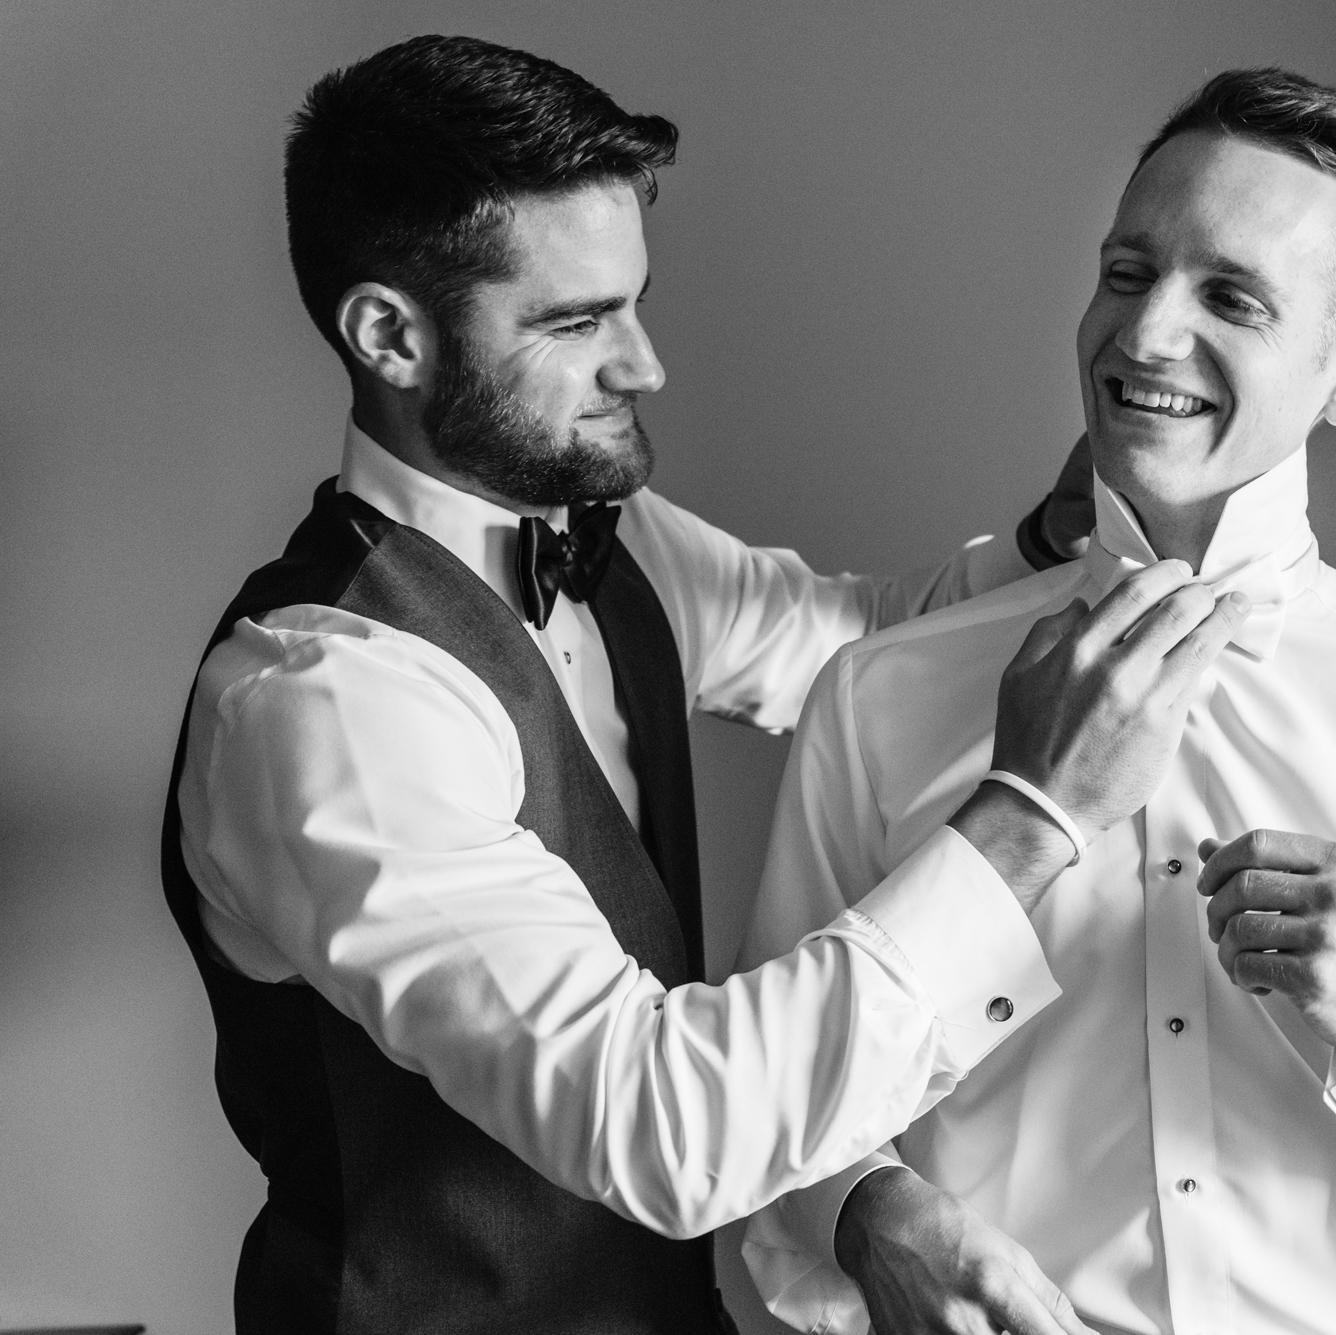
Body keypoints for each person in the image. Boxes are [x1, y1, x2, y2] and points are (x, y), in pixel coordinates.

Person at [161, 34, 1249, 1335]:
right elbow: (663, 1123)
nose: (644, 364)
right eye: (575, 323)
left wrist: (1049, 540)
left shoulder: (620, 542)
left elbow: (849, 641)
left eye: (636, 301)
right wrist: (1033, 818)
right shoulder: (321, 702)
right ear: (389, 335)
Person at [738, 68, 1336, 1335]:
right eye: (1127, 273)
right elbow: (757, 1120)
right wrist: (862, 1208)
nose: (1143, 335)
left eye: (1229, 295)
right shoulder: (879, 697)